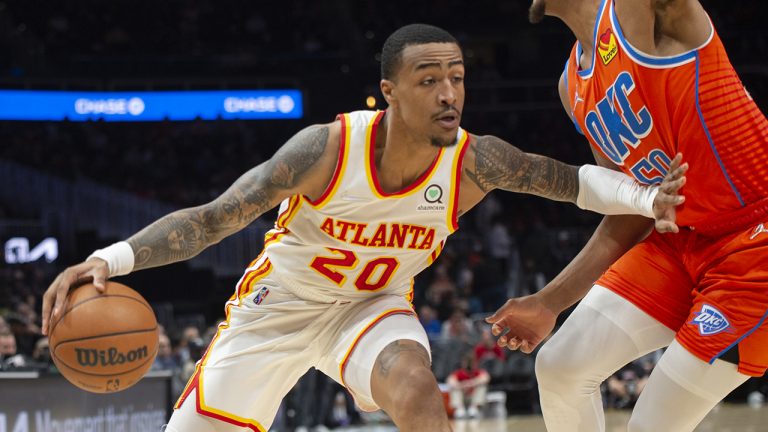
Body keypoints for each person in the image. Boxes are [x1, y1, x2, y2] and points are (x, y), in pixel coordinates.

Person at [42, 24, 684, 432]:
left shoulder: (475, 158)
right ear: (390, 91)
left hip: (372, 308)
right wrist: (113, 259)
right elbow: (213, 220)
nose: (448, 94)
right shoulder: (323, 150)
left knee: (417, 388)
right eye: (428, 80)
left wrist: (646, 196)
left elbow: (571, 181)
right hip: (277, 309)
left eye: (457, 78)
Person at [486, 1, 768, 431]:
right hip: (678, 241)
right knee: (561, 366)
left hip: (754, 242)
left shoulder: (645, 12)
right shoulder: (572, 85)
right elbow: (628, 209)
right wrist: (549, 302)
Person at [446, 352, 491, 419]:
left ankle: (474, 408)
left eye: (471, 362)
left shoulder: (478, 372)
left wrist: (471, 383)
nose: (469, 364)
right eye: (467, 362)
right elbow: (450, 382)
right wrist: (463, 385)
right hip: (463, 397)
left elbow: (486, 378)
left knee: (482, 386)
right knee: (454, 389)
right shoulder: (459, 373)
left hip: (473, 397)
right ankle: (459, 409)